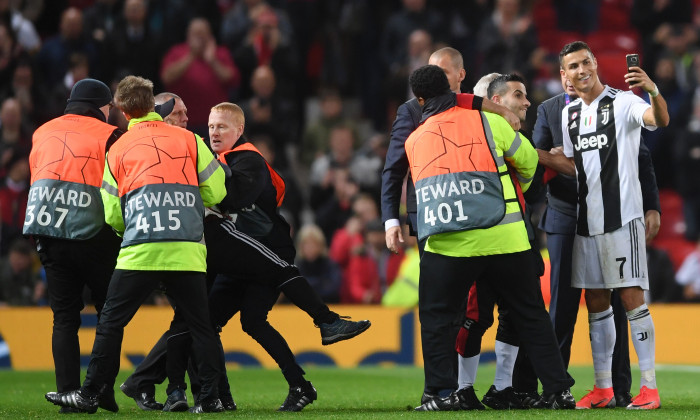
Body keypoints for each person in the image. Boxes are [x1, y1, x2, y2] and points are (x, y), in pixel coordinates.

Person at [44, 75, 228, 414]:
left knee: (111, 322)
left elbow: (112, 213)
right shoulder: (189, 140)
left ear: (125, 112)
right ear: (155, 106)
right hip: (185, 250)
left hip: (139, 250)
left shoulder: (117, 149)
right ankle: (210, 398)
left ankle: (89, 393)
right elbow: (217, 190)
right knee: (201, 326)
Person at [407, 64, 575, 411]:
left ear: (421, 99)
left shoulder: (416, 139)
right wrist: (515, 194)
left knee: (438, 319)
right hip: (506, 238)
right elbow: (528, 164)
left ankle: (442, 394)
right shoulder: (491, 121)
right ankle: (559, 390)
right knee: (530, 314)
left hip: (449, 246)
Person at [382, 47, 520, 410]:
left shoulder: (475, 107)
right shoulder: (411, 111)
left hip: (481, 222)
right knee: (443, 311)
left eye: (443, 72)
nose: (438, 78)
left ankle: (460, 389)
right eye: (433, 72)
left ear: (460, 76)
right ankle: (440, 390)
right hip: (433, 223)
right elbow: (394, 168)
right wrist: (391, 219)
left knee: (468, 312)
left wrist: (504, 110)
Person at [537, 41, 669, 410]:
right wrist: (535, 154)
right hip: (585, 221)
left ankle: (649, 388)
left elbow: (659, 121)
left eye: (585, 62)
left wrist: (653, 90)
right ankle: (603, 388)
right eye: (573, 66)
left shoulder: (625, 101)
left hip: (622, 217)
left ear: (595, 63)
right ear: (564, 74)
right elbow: (574, 165)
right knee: (595, 302)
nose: (581, 71)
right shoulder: (569, 115)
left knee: (630, 299)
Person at [24, 78, 122, 414]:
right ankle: (101, 391)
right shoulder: (108, 135)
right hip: (96, 234)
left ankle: (68, 394)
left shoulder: (42, 132)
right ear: (100, 105)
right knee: (109, 315)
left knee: (64, 318)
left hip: (50, 234)